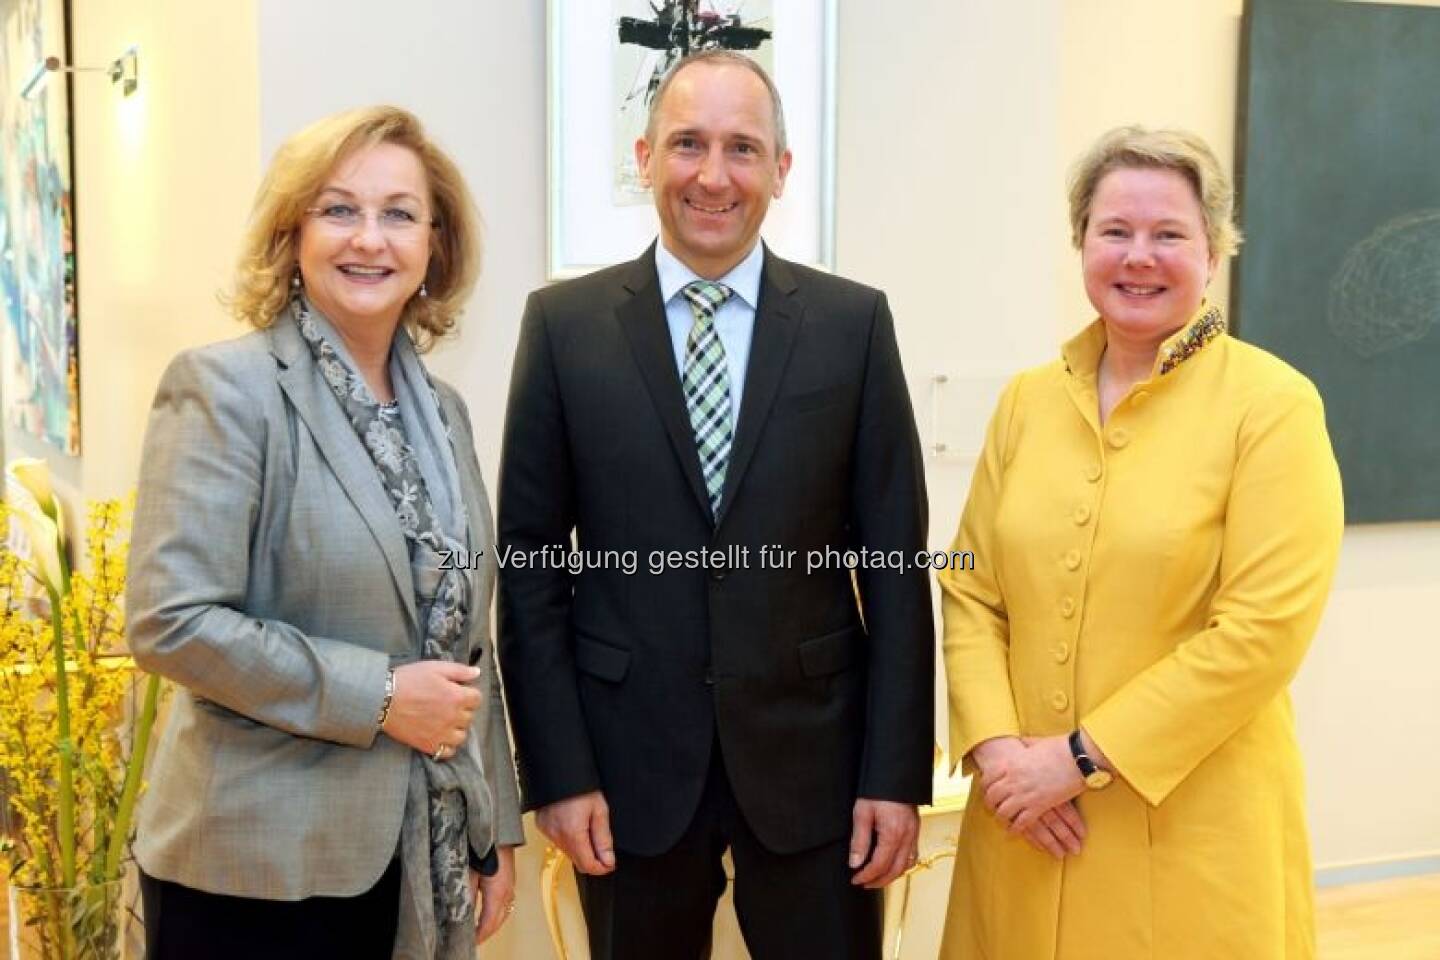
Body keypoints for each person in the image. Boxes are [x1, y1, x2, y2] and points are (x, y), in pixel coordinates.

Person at [498, 50, 934, 960]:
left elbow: (896, 569)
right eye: (688, 144)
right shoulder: (562, 328)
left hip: (816, 768)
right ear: (645, 155)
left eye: (742, 148)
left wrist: (895, 775)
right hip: (625, 772)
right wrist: (559, 774)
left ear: (780, 169)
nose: (712, 174)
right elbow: (530, 570)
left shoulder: (852, 325)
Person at [937, 125, 1345, 959]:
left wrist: (1079, 758)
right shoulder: (1026, 402)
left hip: (1192, 834)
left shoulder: (1273, 406)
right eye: (1114, 231)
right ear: (1081, 241)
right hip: (1022, 823)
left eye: (1169, 235)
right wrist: (997, 749)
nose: (1138, 257)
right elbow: (970, 584)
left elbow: (1260, 634)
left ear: (1214, 250)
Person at [127, 105, 522, 960]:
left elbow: (466, 640)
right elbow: (172, 621)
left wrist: (497, 829)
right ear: (291, 231)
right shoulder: (225, 390)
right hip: (252, 874)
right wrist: (380, 696)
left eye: (399, 214)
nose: (369, 239)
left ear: (434, 245)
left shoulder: (444, 414)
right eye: (339, 209)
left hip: (422, 856)